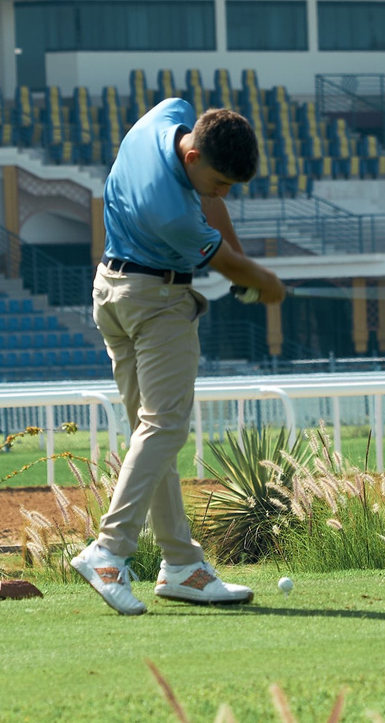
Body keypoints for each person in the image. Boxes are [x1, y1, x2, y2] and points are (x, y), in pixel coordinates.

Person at [69, 99, 288, 615]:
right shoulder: (169, 211)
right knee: (166, 427)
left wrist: (243, 272)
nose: (223, 194)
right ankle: (109, 552)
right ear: (192, 160)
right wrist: (265, 284)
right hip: (155, 303)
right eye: (219, 183)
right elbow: (229, 263)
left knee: (153, 434)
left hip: (111, 292)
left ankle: (182, 566)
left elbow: (216, 221)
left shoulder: (168, 115)